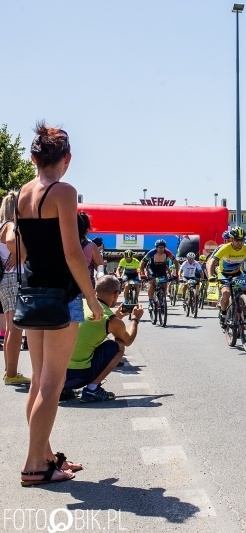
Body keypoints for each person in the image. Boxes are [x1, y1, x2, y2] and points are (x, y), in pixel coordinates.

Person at [17, 122, 103, 486]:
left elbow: (20, 246)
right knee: (53, 383)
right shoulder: (64, 192)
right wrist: (93, 299)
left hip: (33, 293)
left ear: (34, 157)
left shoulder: (20, 193)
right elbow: (72, 253)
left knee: (39, 381)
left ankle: (46, 455)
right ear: (67, 158)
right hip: (60, 296)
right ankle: (34, 465)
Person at [62, 275, 143, 403]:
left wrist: (116, 315)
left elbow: (91, 330)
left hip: (55, 375)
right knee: (118, 345)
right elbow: (127, 340)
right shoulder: (110, 320)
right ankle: (92, 390)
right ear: (116, 294)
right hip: (76, 377)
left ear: (95, 291)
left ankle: (62, 390)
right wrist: (135, 319)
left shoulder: (79, 303)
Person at [0, 191, 29, 385]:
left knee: (12, 328)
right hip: (13, 278)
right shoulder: (10, 226)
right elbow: (14, 245)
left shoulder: (2, 226)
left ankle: (9, 371)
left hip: (5, 280)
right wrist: (21, 255)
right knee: (15, 328)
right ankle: (11, 374)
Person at [207, 226, 246, 326]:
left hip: (237, 273)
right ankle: (223, 313)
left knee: (245, 290)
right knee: (226, 293)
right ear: (232, 239)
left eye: (242, 240)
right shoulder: (224, 248)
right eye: (237, 240)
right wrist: (210, 276)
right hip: (224, 273)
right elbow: (212, 262)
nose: (240, 242)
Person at [139, 239, 178, 310]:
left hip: (161, 268)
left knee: (165, 283)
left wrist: (176, 274)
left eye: (162, 247)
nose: (161, 249)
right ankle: (151, 301)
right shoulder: (151, 252)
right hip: (152, 268)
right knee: (152, 282)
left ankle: (162, 299)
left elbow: (176, 262)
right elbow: (142, 263)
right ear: (156, 247)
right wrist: (142, 273)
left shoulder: (167, 252)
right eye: (159, 247)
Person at [77, 212, 102, 288]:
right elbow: (99, 266)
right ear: (87, 229)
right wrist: (98, 251)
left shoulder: (65, 244)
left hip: (66, 286)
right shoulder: (91, 246)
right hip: (87, 286)